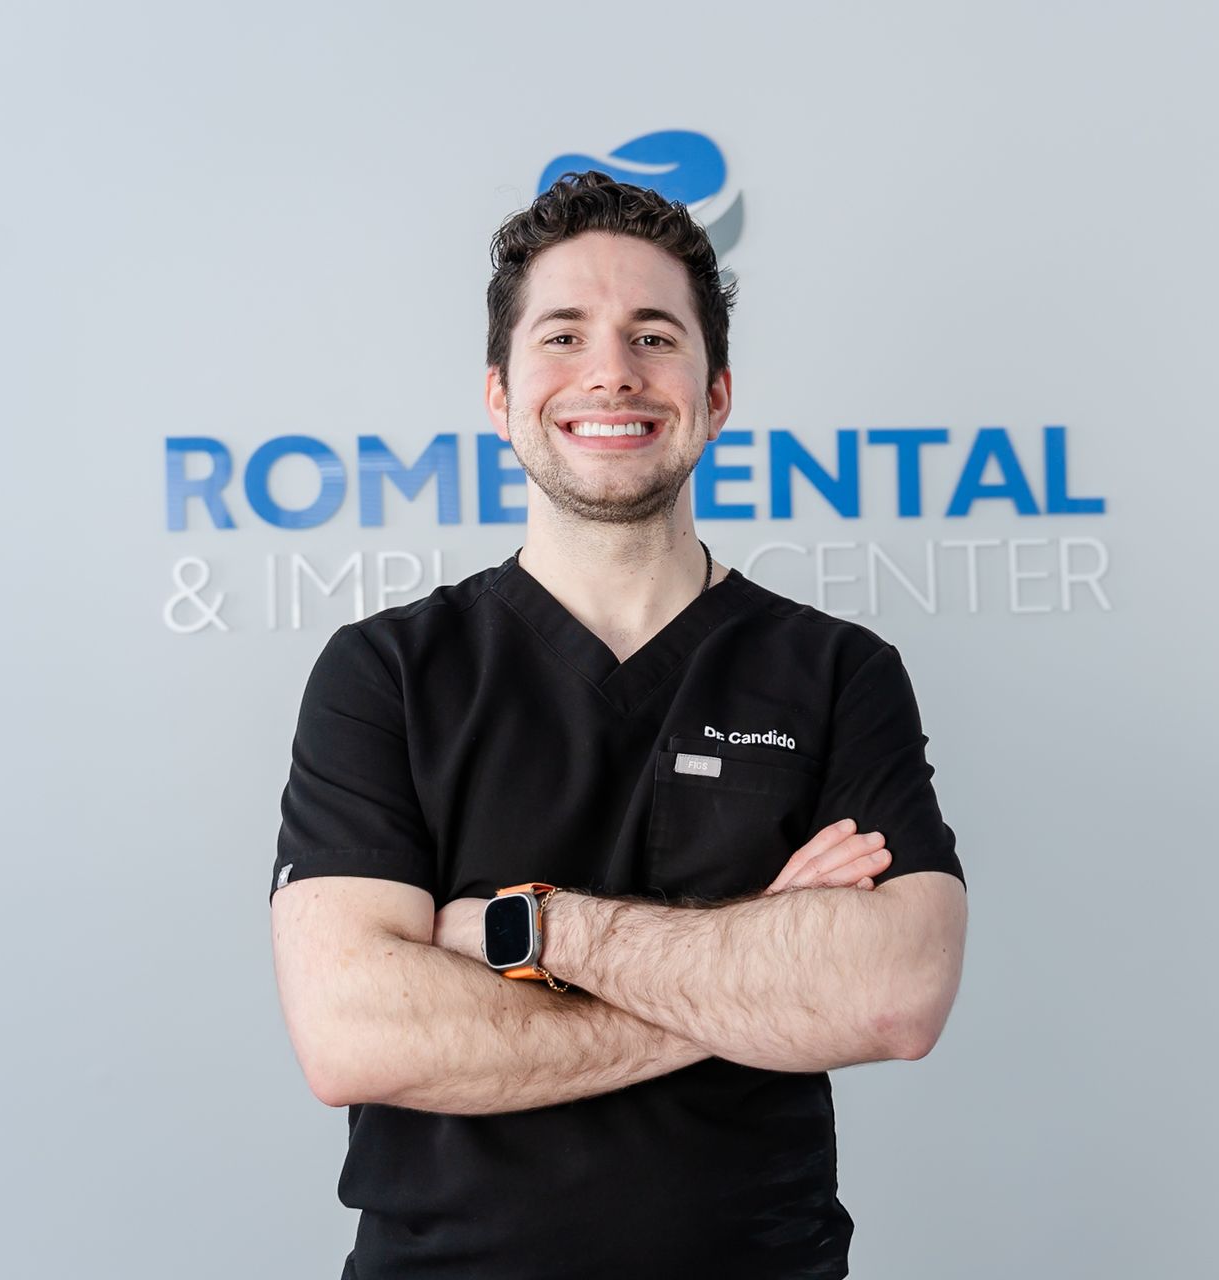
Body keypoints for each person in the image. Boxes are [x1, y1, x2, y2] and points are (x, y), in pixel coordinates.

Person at [269, 170, 968, 1280]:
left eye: (654, 334)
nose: (611, 372)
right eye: (564, 335)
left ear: (717, 389)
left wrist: (535, 931)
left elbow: (892, 995)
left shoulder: (837, 671)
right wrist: (752, 980)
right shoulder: (386, 674)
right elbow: (354, 1030)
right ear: (498, 394)